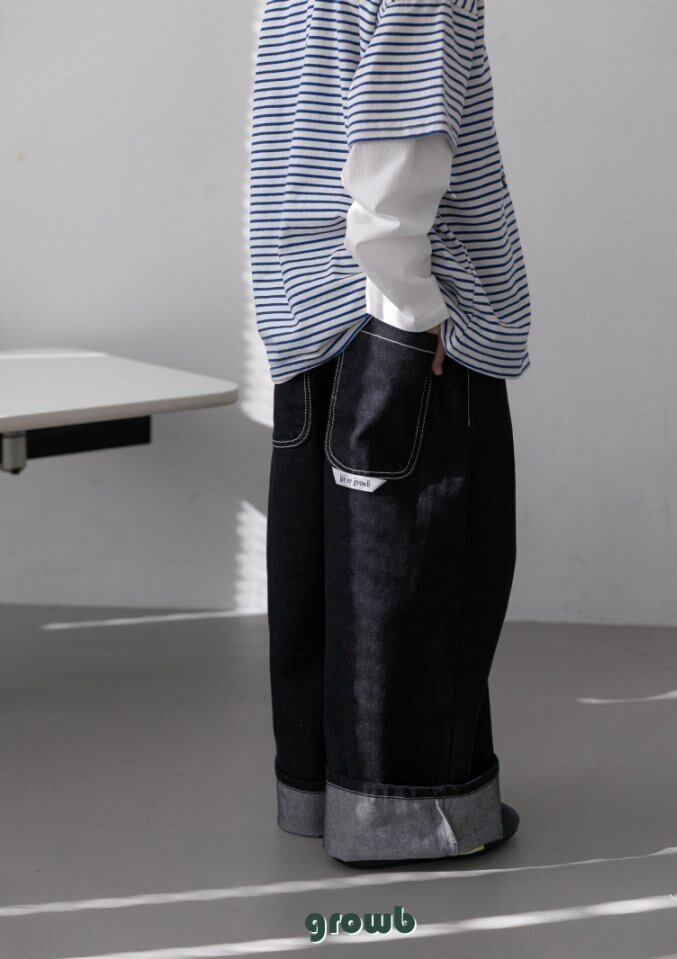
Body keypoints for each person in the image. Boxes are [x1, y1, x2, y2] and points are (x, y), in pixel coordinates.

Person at [250, 0, 531, 866]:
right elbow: (397, 136)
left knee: (324, 574)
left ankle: (319, 793)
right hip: (395, 317)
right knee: (429, 571)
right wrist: (414, 310)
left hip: (306, 311)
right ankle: (409, 819)